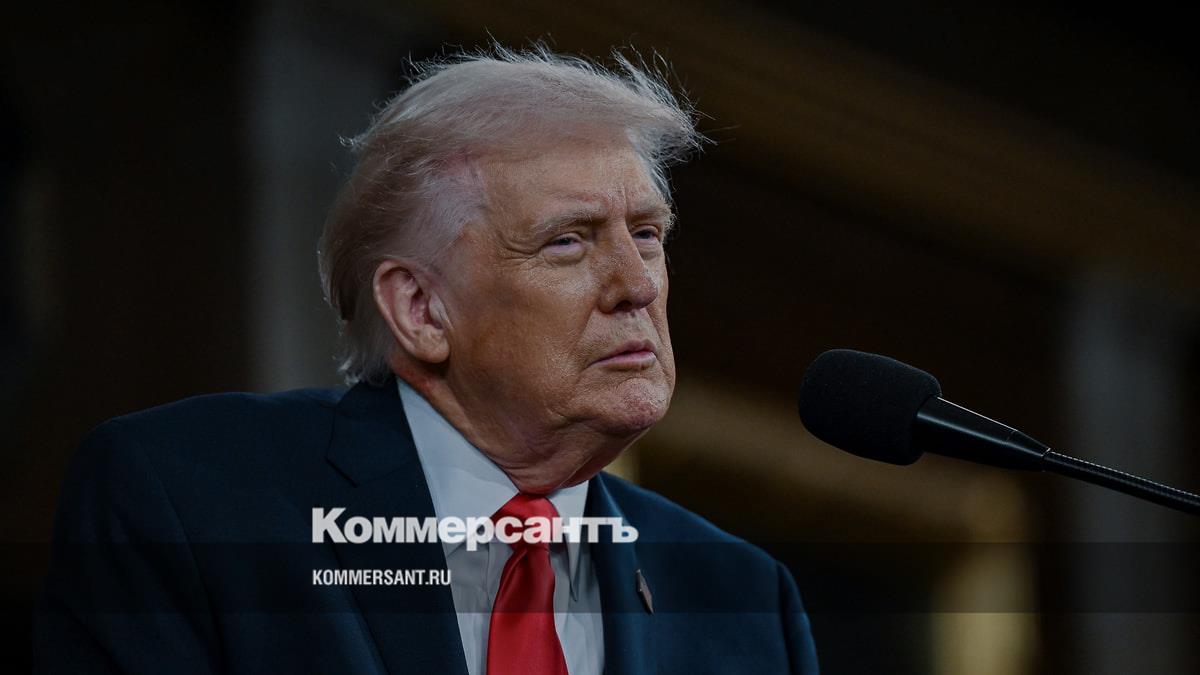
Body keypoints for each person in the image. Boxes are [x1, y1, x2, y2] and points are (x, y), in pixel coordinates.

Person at [35, 45, 819, 674]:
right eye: (568, 241)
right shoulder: (189, 503)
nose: (637, 284)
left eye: (646, 234)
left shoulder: (744, 599)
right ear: (420, 308)